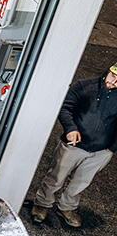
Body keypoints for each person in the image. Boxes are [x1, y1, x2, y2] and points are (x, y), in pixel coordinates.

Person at [31, 65, 117, 227]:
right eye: (113, 76)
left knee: (81, 182)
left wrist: (112, 147)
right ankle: (42, 204)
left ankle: (67, 207)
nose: (114, 82)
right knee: (56, 177)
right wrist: (70, 129)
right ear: (108, 71)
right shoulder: (83, 86)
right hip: (73, 145)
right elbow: (65, 108)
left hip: (101, 151)